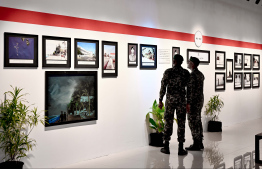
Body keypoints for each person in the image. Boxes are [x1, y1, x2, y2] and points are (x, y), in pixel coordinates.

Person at [158, 54, 190, 155]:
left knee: (168, 122)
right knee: (181, 124)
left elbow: (163, 86)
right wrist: (188, 102)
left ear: (174, 61)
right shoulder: (185, 73)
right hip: (181, 101)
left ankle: (166, 146)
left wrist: (160, 100)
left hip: (170, 101)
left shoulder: (168, 72)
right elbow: (189, 89)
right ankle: (180, 148)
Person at [186, 57, 205, 151]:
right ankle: (200, 142)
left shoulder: (192, 76)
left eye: (189, 62)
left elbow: (190, 91)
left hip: (193, 102)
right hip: (200, 101)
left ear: (192, 64)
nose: (188, 63)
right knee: (198, 121)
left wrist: (188, 103)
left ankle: (196, 143)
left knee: (192, 122)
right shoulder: (200, 74)